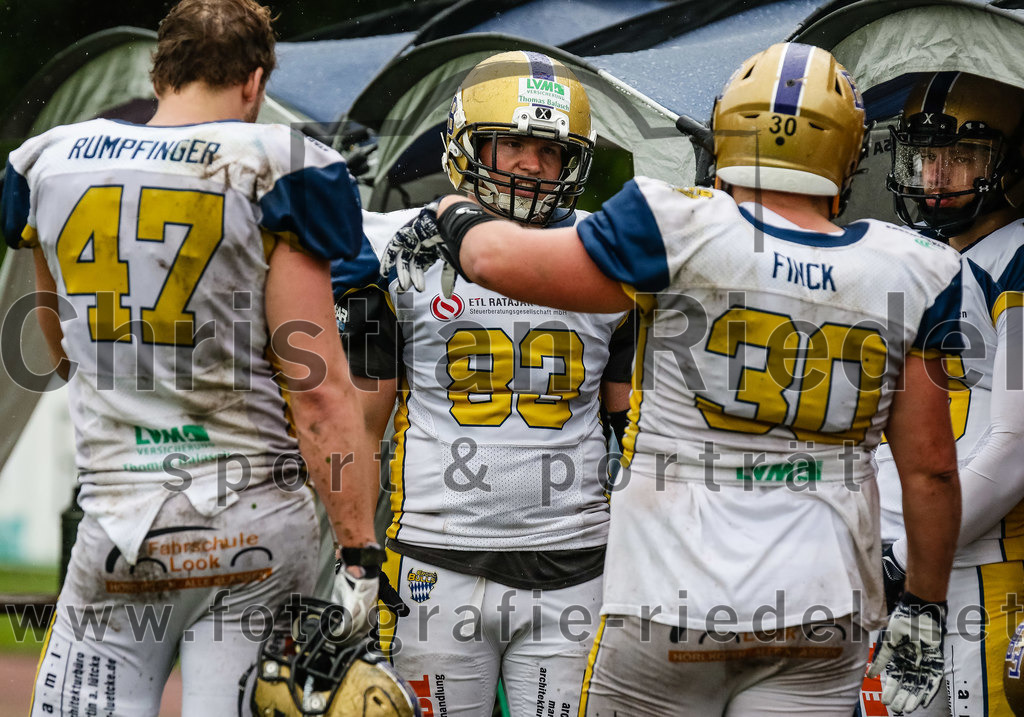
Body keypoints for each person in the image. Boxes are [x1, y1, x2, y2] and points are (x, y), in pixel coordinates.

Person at [380, 42, 964, 716]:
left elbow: (491, 258)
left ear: (727, 132)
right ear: (851, 153)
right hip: (820, 603)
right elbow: (931, 470)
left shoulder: (676, 225)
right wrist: (925, 601)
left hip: (668, 598)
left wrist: (448, 213)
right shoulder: (915, 268)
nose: (532, 165)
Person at [0, 1, 383, 714]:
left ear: (158, 73)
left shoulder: (50, 160)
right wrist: (359, 556)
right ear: (255, 81)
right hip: (252, 523)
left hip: (120, 522)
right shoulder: (275, 165)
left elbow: (59, 351)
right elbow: (319, 394)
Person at [333, 50, 634, 717]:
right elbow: (361, 427)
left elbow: (633, 434)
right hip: (436, 560)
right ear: (465, 145)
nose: (532, 164)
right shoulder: (399, 248)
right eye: (514, 143)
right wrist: (347, 550)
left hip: (574, 561)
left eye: (551, 150)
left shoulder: (606, 252)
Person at [870, 71, 1024, 717]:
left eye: (962, 155)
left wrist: (905, 557)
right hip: (902, 560)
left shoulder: (1016, 257)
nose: (936, 176)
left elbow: (1016, 446)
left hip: (981, 561)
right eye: (926, 155)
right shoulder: (912, 255)